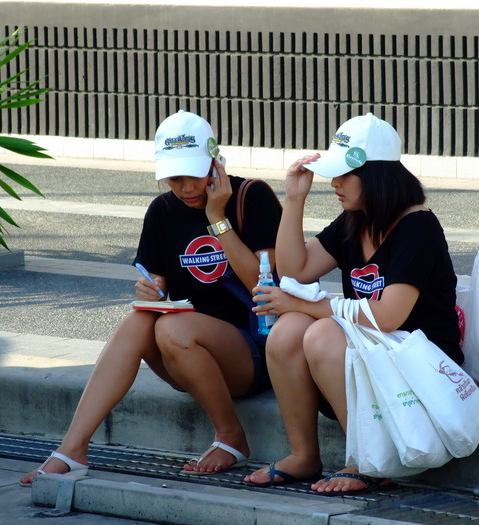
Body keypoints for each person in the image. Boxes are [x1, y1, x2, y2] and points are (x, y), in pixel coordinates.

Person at [20, 110, 282, 486]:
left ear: (215, 160)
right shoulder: (162, 211)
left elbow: (264, 286)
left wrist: (217, 218)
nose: (187, 187)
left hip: (255, 353)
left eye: (194, 173)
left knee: (173, 327)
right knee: (140, 318)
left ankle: (230, 436)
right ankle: (72, 449)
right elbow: (156, 280)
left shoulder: (250, 197)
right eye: (174, 178)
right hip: (186, 356)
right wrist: (151, 289)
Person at [243, 113, 464, 495]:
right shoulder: (354, 220)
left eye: (345, 174)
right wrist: (294, 199)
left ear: (378, 175)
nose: (336, 183)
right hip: (375, 357)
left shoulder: (418, 226)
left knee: (320, 331)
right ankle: (303, 455)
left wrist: (307, 306)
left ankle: (370, 461)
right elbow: (295, 272)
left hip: (420, 368)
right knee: (287, 332)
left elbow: (389, 316)